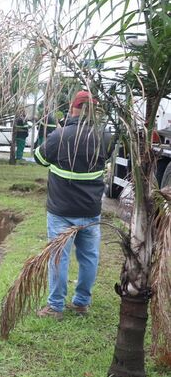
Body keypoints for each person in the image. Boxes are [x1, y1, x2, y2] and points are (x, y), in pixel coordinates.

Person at [34, 90, 110, 319]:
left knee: (58, 257)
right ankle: (81, 303)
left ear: (73, 108)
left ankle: (55, 306)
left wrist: (59, 130)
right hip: (90, 211)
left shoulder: (61, 135)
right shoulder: (103, 136)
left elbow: (39, 158)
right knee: (89, 257)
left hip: (61, 212)